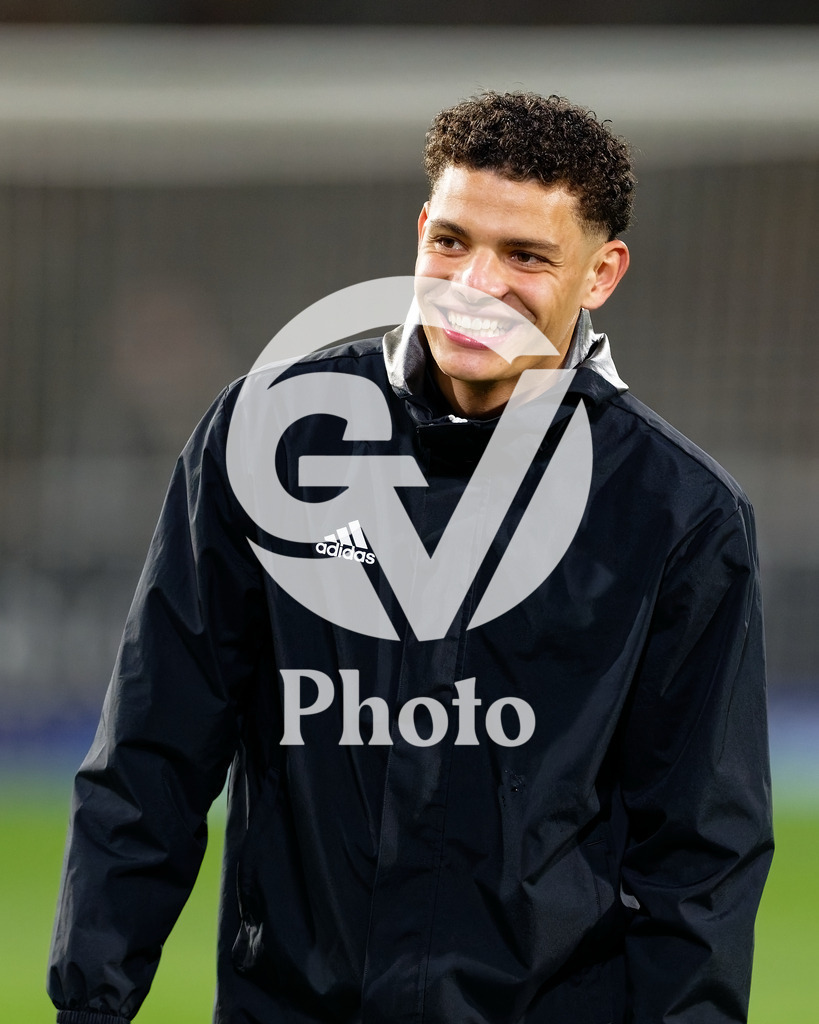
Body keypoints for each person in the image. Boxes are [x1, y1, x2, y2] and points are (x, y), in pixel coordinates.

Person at [48, 92, 773, 1024]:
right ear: (420, 228)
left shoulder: (677, 513)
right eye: (453, 241)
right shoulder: (272, 439)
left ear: (601, 274)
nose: (475, 285)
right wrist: (92, 1005)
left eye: (525, 257)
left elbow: (701, 853)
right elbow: (153, 752)